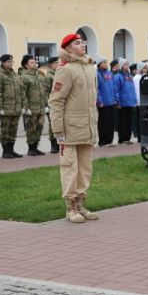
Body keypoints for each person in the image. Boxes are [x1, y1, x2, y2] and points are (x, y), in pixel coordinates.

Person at [49, 33, 99, 223]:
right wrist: (58, 130)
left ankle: (81, 203)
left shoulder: (89, 67)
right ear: (68, 48)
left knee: (85, 168)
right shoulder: (66, 69)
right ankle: (70, 207)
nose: (82, 45)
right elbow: (56, 101)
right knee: (70, 167)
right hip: (69, 129)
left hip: (87, 127)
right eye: (77, 43)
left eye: (82, 42)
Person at [0, 54, 24, 158]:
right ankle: (5, 151)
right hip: (6, 109)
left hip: (16, 108)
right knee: (5, 130)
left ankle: (11, 150)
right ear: (3, 63)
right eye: (8, 62)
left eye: (11, 61)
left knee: (13, 130)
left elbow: (20, 91)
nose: (10, 63)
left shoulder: (15, 75)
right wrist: (0, 108)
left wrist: (22, 105)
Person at [18, 55, 47, 156]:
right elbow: (22, 93)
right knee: (31, 128)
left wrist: (45, 104)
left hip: (40, 107)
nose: (35, 63)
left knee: (40, 127)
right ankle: (31, 148)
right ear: (26, 65)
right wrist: (26, 108)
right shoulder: (24, 77)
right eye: (32, 62)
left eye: (35, 62)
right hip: (31, 108)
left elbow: (44, 91)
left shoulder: (39, 76)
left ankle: (36, 146)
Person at [95, 55, 117, 146]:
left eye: (106, 62)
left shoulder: (109, 73)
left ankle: (109, 140)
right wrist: (99, 101)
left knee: (111, 122)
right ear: (99, 64)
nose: (105, 64)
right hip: (103, 103)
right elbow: (97, 89)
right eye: (103, 63)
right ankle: (103, 141)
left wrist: (115, 99)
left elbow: (114, 87)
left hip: (111, 101)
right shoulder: (97, 74)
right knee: (103, 122)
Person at [114, 58, 136, 144]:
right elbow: (116, 90)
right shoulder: (117, 77)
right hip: (122, 103)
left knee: (129, 121)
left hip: (129, 102)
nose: (127, 66)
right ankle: (122, 139)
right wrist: (117, 101)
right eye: (126, 64)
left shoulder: (130, 76)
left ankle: (128, 138)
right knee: (122, 121)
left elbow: (132, 89)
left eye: (128, 64)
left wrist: (134, 101)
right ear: (122, 66)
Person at [43, 56, 61, 154]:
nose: (58, 65)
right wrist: (47, 105)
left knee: (59, 125)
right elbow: (46, 92)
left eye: (58, 63)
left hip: (60, 104)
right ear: (50, 65)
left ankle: (59, 144)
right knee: (53, 125)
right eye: (55, 63)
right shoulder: (48, 77)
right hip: (52, 104)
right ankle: (53, 145)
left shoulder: (59, 75)